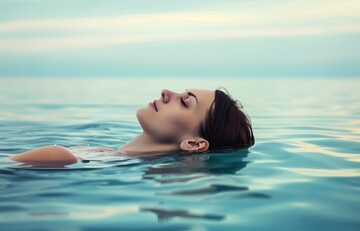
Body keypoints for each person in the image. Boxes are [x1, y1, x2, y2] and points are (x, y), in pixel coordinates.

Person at [10, 88, 255, 166]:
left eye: (185, 101)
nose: (167, 92)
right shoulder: (93, 157)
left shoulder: (61, 157)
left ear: (193, 144)